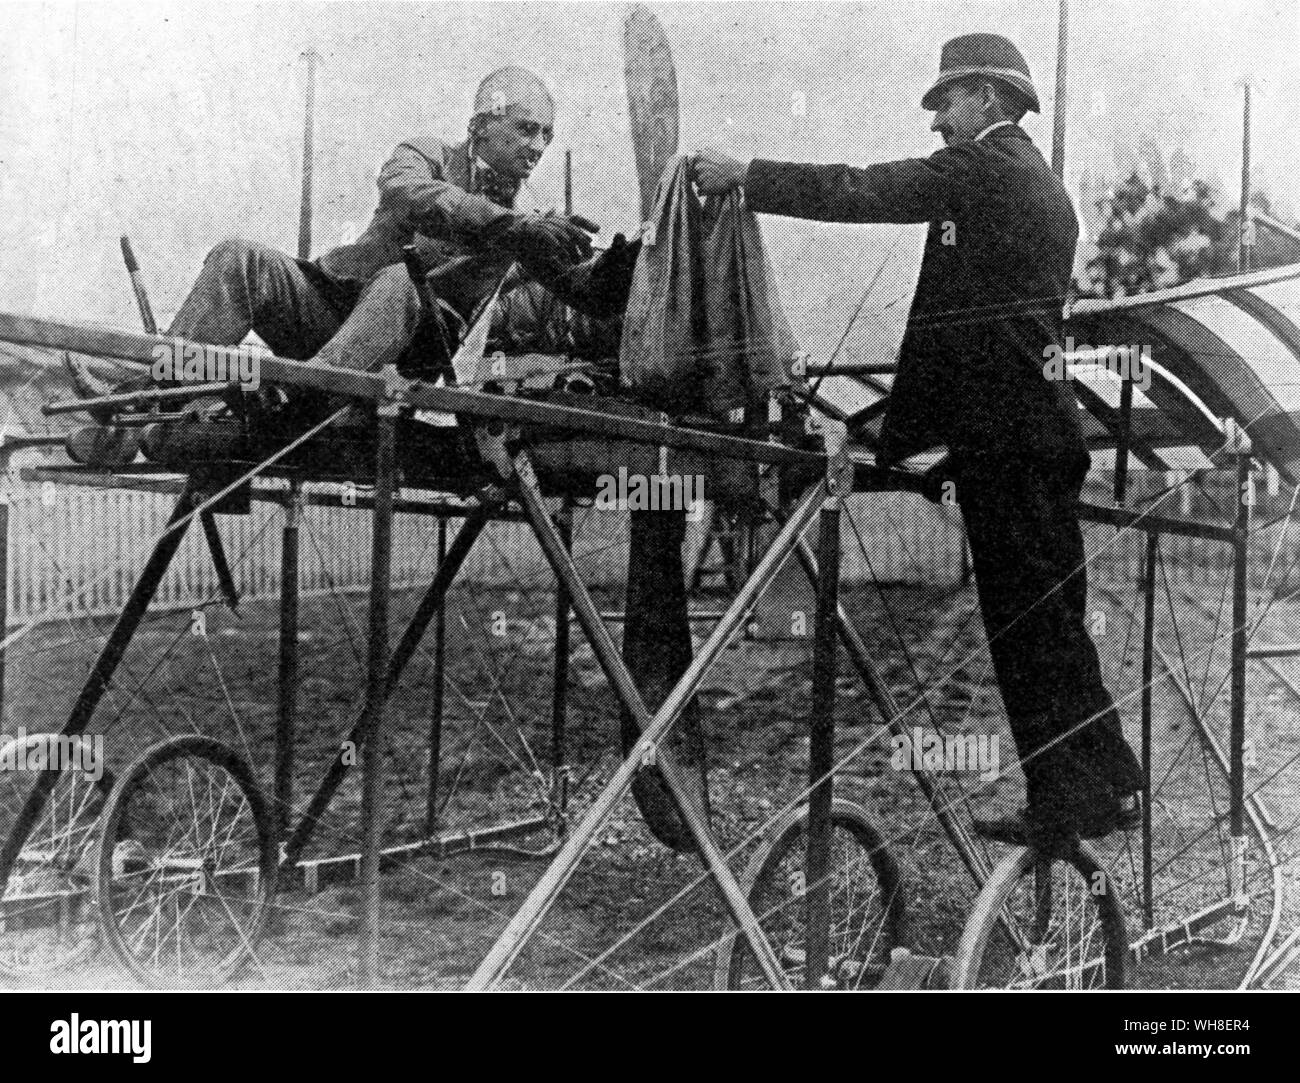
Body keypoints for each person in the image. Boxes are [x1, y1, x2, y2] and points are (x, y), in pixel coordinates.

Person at [694, 33, 1144, 846]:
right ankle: (1108, 780)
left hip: (1010, 442)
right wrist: (920, 434)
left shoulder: (989, 169)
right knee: (1052, 622)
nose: (937, 121)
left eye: (947, 102)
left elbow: (864, 188)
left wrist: (748, 177)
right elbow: (978, 329)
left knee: (1026, 629)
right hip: (1031, 434)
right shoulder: (1042, 189)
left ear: (990, 100)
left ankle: (1070, 799)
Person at [73, 67, 633, 412]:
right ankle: (148, 397)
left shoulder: (535, 225)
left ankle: (297, 398)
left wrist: (632, 262)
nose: (537, 147)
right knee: (239, 257)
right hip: (333, 311)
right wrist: (514, 228)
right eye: (527, 129)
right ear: (481, 124)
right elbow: (408, 196)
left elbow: (588, 295)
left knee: (402, 282)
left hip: (406, 353)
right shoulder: (425, 155)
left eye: (548, 136)